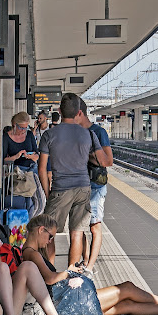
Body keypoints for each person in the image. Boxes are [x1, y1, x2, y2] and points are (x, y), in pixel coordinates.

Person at [21, 215, 158, 315]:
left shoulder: (31, 251)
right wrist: (70, 271)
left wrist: (69, 273)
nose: (50, 241)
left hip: (61, 302)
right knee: (126, 288)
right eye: (50, 236)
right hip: (64, 304)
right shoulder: (31, 253)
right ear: (40, 230)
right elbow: (50, 278)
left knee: (127, 305)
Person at [38, 93, 106, 269]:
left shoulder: (49, 135)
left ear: (59, 111)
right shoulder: (89, 135)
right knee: (77, 233)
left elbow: (42, 170)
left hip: (60, 188)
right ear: (78, 112)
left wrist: (48, 193)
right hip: (84, 187)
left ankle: (50, 273)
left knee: (48, 232)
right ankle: (72, 274)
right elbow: (104, 161)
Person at [78, 98, 114, 278]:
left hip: (95, 184)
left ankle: (90, 266)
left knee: (94, 226)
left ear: (79, 114)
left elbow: (108, 160)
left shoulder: (99, 132)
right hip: (78, 183)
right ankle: (84, 261)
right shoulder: (74, 132)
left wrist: (86, 155)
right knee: (80, 226)